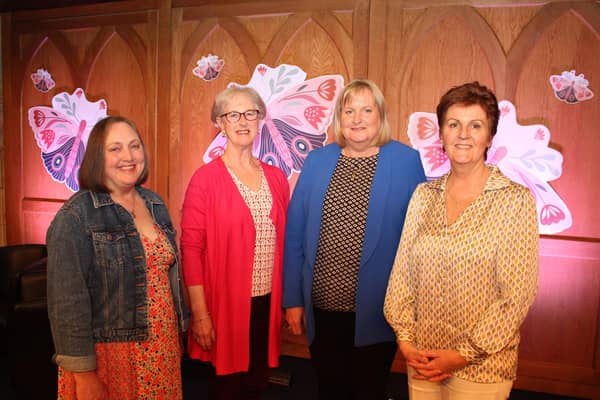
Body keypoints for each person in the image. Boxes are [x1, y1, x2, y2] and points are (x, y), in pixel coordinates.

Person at [383, 81, 539, 400]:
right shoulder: (424, 196)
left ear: (489, 136)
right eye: (454, 124)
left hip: (482, 366)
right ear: (441, 134)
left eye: (475, 125)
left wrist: (461, 355)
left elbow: (516, 295)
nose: (463, 134)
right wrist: (406, 340)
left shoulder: (514, 200)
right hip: (423, 358)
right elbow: (402, 275)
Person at [283, 79, 426, 400]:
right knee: (329, 389)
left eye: (366, 110)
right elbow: (294, 234)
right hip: (322, 308)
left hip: (380, 308)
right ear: (339, 117)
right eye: (349, 110)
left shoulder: (407, 162)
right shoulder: (317, 162)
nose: (357, 119)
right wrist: (292, 300)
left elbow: (420, 240)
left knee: (368, 390)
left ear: (381, 116)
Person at [46, 116, 188, 400]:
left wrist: (178, 331)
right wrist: (84, 374)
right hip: (111, 353)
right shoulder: (75, 216)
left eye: (134, 146)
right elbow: (67, 303)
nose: (128, 156)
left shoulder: (155, 203)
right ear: (98, 157)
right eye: (116, 149)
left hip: (161, 345)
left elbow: (167, 278)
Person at [181, 86, 290, 400]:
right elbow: (191, 250)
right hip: (224, 307)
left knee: (257, 384)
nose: (242, 121)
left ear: (260, 120)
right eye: (233, 114)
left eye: (250, 113)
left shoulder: (277, 178)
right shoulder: (205, 180)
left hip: (266, 305)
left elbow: (284, 244)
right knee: (227, 389)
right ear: (220, 122)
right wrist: (200, 315)